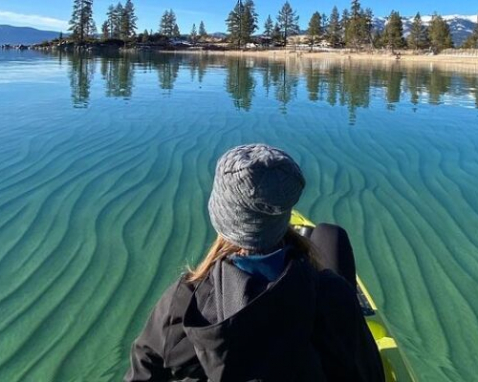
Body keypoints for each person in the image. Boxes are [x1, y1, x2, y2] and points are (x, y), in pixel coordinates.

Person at [124, 144, 385, 382]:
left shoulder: (185, 304)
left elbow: (143, 367)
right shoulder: (332, 295)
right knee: (330, 236)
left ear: (220, 218)